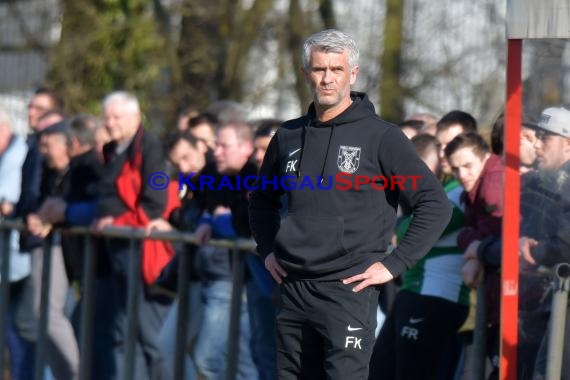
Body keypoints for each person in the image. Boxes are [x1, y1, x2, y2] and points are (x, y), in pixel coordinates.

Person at [249, 29, 452, 379]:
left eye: (336, 69)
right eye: (318, 69)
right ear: (306, 74)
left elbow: (435, 203)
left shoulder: (382, 137)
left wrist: (395, 264)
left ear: (352, 74)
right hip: (293, 288)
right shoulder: (287, 136)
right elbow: (261, 200)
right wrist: (268, 249)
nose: (327, 79)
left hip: (349, 291)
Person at [369, 134, 469, 380]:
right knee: (379, 370)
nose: (445, 156)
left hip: (435, 295)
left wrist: (405, 225)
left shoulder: (457, 190)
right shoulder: (443, 190)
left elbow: (412, 229)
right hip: (413, 292)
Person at [94, 91, 177, 379]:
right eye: (106, 117)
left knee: (147, 336)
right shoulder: (112, 149)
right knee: (122, 332)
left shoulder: (150, 147)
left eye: (117, 117)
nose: (110, 123)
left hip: (140, 249)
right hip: (118, 248)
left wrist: (117, 222)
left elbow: (155, 202)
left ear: (135, 117)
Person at [518, 106, 570, 379]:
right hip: (536, 306)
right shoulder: (537, 184)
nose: (537, 145)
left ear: (568, 144)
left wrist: (535, 250)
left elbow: (566, 242)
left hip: (557, 307)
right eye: (536, 136)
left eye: (546, 138)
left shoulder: (564, 184)